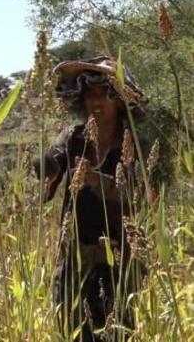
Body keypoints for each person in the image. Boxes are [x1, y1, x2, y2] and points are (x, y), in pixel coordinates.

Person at [37, 56, 149, 341]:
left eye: (103, 95)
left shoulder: (134, 143)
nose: (96, 103)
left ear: (119, 100)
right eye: (90, 95)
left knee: (118, 332)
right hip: (75, 262)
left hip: (120, 263)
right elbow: (53, 163)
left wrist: (96, 180)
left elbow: (139, 195)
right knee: (72, 330)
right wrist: (44, 167)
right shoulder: (73, 138)